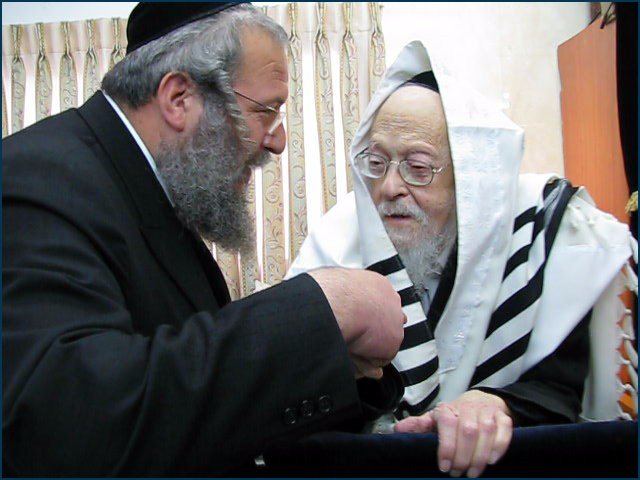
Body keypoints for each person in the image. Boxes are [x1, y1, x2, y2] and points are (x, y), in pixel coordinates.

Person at [2, 3, 407, 476]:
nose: (278, 141)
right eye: (266, 110)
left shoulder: (147, 193)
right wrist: (324, 310)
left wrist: (341, 362)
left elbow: (201, 412)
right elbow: (71, 426)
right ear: (178, 98)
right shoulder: (34, 180)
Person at [286, 40, 638, 478]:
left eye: (417, 168)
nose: (389, 187)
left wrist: (497, 403)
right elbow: (298, 398)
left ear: (470, 180)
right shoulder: (336, 243)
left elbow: (560, 386)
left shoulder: (542, 234)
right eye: (376, 163)